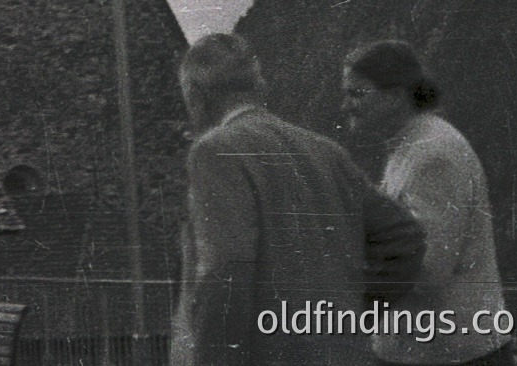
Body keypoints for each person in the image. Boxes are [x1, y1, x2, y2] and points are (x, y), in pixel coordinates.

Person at [174, 33, 426, 366]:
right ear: (258, 87)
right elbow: (405, 236)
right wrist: (356, 308)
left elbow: (228, 268)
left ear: (195, 96)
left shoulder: (215, 151)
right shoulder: (324, 150)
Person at [343, 41, 510, 366]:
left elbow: (427, 269)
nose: (346, 105)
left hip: (448, 353)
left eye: (357, 94)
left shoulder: (433, 155)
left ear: (394, 97)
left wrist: (345, 274)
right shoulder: (412, 146)